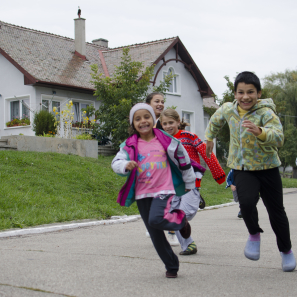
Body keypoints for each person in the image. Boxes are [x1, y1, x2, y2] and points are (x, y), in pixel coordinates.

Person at [205, 71, 296, 272]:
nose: (245, 97)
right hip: (242, 168)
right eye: (241, 92)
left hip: (268, 168)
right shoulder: (229, 109)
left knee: (276, 212)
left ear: (258, 93)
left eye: (250, 92)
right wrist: (209, 138)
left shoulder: (266, 113)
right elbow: (215, 120)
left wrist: (260, 132)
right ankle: (254, 234)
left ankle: (286, 251)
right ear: (235, 93)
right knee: (245, 202)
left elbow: (279, 138)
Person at [111, 103, 204, 278]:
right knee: (154, 231)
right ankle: (171, 265)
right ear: (133, 124)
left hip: (164, 189)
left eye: (146, 117)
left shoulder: (166, 140)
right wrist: (125, 165)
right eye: (137, 119)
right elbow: (116, 162)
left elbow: (183, 159)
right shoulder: (130, 144)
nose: (143, 121)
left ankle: (180, 220)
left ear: (153, 120)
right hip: (142, 192)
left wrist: (190, 181)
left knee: (155, 219)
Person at [159, 109, 226, 255]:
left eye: (171, 122)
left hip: (191, 179)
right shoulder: (161, 139)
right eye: (164, 123)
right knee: (171, 214)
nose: (168, 126)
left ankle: (194, 198)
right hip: (173, 182)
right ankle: (188, 244)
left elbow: (206, 152)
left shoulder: (188, 136)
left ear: (178, 122)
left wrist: (218, 174)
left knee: (185, 213)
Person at [145, 92, 179, 246]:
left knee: (169, 196)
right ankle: (153, 226)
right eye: (156, 101)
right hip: (148, 165)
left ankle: (172, 233)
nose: (160, 104)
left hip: (166, 165)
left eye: (162, 101)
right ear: (149, 104)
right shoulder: (143, 120)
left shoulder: (164, 121)